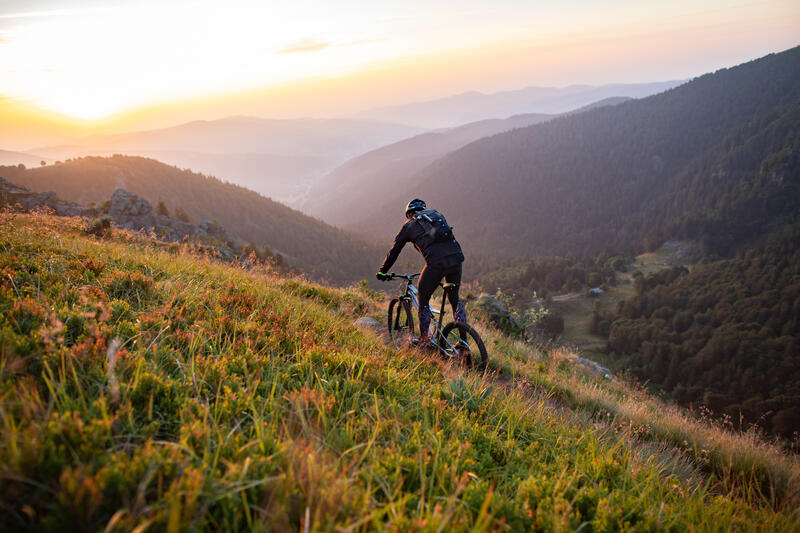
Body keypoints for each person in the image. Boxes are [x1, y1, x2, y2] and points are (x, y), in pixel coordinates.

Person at [376, 198, 467, 345]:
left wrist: (382, 271)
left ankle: (425, 340)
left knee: (422, 299)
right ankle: (464, 342)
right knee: (454, 299)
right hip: (456, 259)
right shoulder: (437, 216)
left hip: (436, 264)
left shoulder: (409, 225)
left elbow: (394, 252)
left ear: (409, 214)